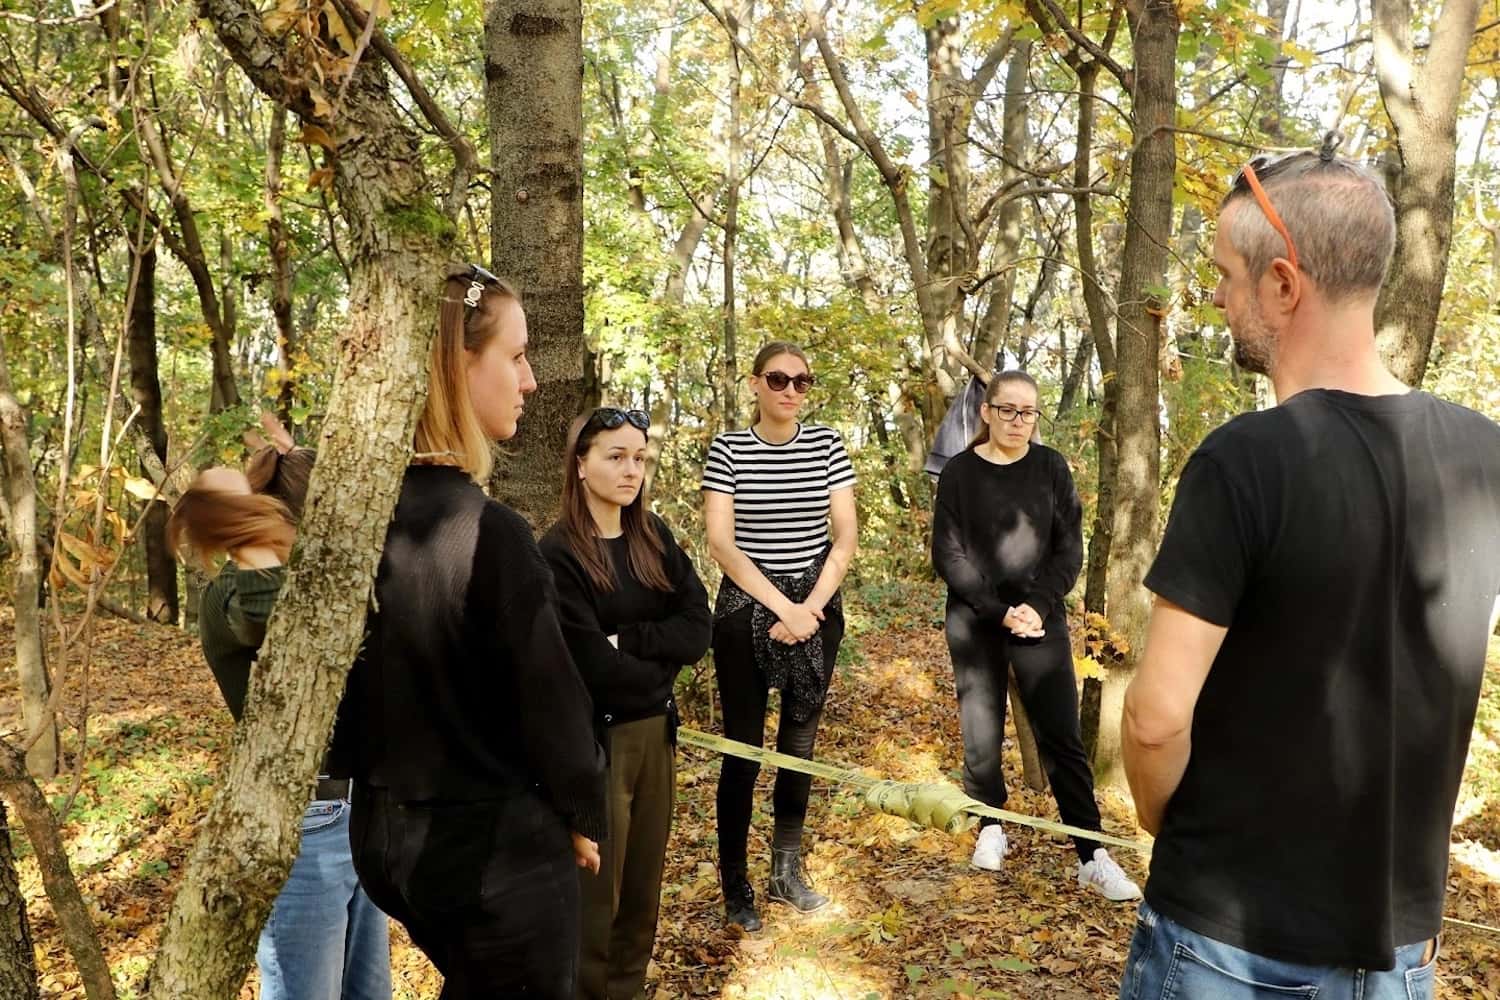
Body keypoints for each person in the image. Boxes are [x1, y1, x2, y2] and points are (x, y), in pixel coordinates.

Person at [1119, 147, 1500, 999]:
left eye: (1225, 273)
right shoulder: (1486, 455)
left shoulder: (1246, 460)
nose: (1216, 295)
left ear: (1284, 285)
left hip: (1231, 949)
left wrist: (1162, 826)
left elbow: (1153, 719)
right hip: (1403, 959)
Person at [341, 264, 608, 1000]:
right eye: (515, 357)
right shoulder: (489, 533)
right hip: (494, 853)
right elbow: (551, 701)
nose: (528, 381)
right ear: (461, 365)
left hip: (386, 843)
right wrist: (583, 812)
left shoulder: (355, 521)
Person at [166, 421, 391, 1000]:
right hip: (302, 825)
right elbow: (269, 615)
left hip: (360, 809)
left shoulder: (326, 591)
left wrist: (298, 456)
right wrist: (243, 510)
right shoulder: (235, 595)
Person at [931, 370, 1140, 902]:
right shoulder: (959, 472)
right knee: (981, 732)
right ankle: (991, 827)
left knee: (1062, 738)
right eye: (1007, 410)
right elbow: (947, 555)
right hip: (977, 622)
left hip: (1040, 621)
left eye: (1028, 412)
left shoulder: (1050, 468)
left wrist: (1038, 606)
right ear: (986, 411)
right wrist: (1000, 611)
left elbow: (1069, 549)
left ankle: (1091, 854)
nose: (1018, 421)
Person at [540, 406, 712, 1000]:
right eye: (615, 456)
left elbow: (698, 627)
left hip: (656, 737)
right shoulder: (558, 553)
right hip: (598, 744)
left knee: (642, 894)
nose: (630, 469)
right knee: (597, 903)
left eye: (639, 457)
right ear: (581, 464)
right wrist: (655, 665)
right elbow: (594, 669)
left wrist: (632, 641)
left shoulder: (652, 535)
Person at [701, 340, 857, 931]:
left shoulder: (826, 446)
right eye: (777, 379)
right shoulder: (729, 448)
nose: (790, 390)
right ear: (754, 383)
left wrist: (808, 609)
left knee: (799, 745)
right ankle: (735, 880)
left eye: (802, 381)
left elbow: (843, 537)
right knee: (743, 749)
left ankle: (785, 869)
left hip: (815, 608)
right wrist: (781, 608)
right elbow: (722, 543)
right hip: (748, 607)